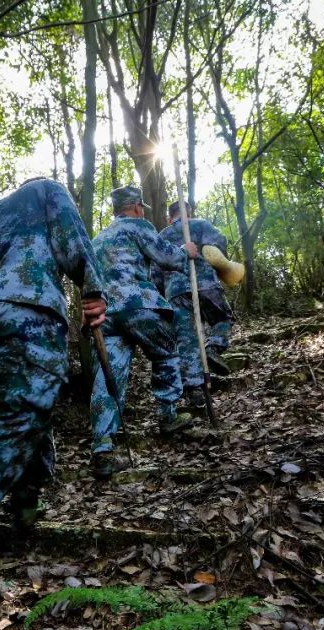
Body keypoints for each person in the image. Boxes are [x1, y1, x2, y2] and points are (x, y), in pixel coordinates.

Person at [0, 178, 107, 590]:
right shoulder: (47, 190)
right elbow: (72, 239)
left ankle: (26, 499)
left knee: (32, 403)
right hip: (27, 305)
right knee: (20, 413)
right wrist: (92, 288)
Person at [89, 186, 196, 479]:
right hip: (138, 305)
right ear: (136, 207)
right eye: (142, 207)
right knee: (165, 351)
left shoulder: (98, 239)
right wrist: (185, 252)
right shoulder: (138, 226)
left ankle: (102, 447)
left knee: (109, 376)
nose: (144, 211)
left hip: (106, 315)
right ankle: (168, 415)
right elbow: (167, 258)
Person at [157, 201, 237, 408]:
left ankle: (193, 389)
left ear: (169, 217)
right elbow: (218, 248)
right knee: (222, 318)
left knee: (186, 340)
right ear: (189, 212)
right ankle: (214, 347)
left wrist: (163, 292)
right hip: (205, 284)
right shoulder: (201, 225)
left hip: (175, 292)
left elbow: (155, 272)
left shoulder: (162, 237)